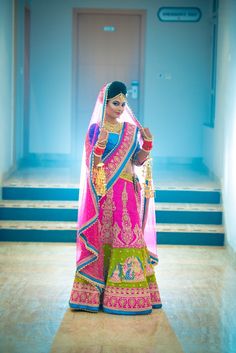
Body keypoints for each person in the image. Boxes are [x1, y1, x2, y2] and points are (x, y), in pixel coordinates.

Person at [69, 81, 162, 315]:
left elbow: (137, 161)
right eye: (115, 103)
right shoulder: (95, 130)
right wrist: (99, 145)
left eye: (123, 103)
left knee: (129, 237)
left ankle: (130, 294)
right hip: (105, 194)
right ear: (105, 103)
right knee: (105, 237)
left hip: (128, 194)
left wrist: (148, 144)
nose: (120, 108)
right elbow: (93, 165)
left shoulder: (130, 131)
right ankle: (95, 294)